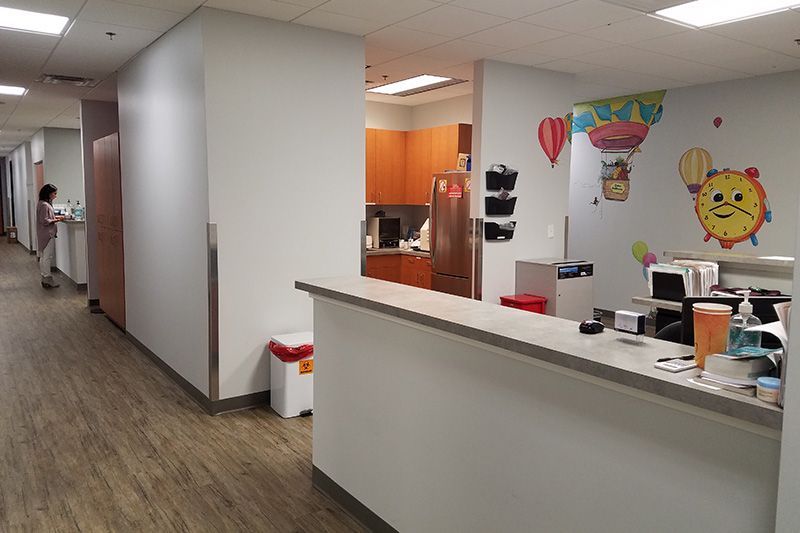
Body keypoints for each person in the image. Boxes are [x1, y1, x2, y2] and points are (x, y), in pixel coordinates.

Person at [37, 183, 64, 288]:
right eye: (54, 193)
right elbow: (44, 221)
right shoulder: (45, 205)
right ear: (48, 193)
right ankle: (47, 278)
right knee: (47, 257)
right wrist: (57, 219)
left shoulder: (42, 203)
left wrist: (55, 217)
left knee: (44, 257)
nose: (55, 196)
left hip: (43, 233)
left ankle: (45, 278)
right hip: (47, 234)